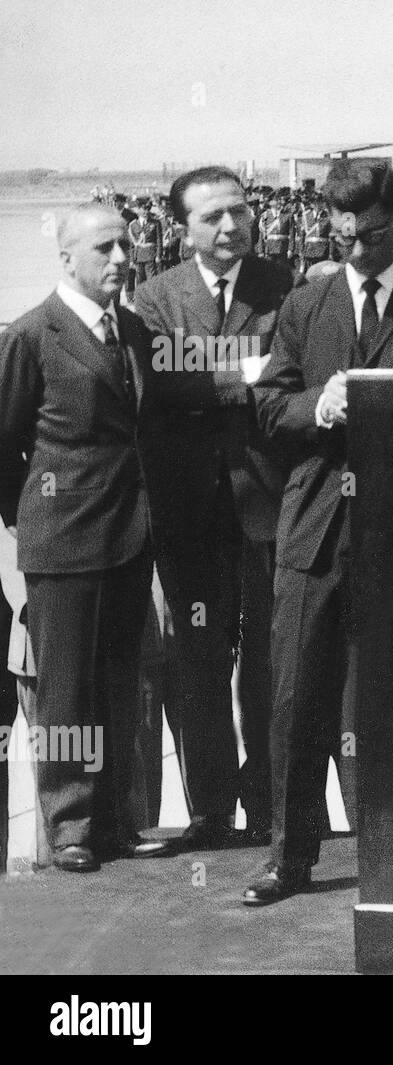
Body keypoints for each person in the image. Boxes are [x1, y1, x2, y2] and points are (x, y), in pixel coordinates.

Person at [247, 160, 393, 904]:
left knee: (391, 699)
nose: (358, 247)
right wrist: (317, 408)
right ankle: (288, 855)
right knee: (295, 696)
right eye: (343, 235)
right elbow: (269, 404)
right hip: (317, 522)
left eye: (373, 234)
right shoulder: (309, 300)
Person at [0, 204, 170, 872]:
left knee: (119, 682)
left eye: (126, 245)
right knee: (67, 690)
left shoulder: (130, 328)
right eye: (105, 248)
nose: (122, 259)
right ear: (67, 257)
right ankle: (71, 824)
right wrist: (26, 521)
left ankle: (116, 822)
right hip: (62, 543)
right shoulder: (32, 333)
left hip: (129, 539)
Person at [133, 166, 299, 849]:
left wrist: (216, 376)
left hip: (267, 503)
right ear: (182, 230)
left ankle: (268, 807)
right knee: (199, 662)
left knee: (269, 663)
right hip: (191, 512)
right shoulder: (153, 297)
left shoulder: (283, 286)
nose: (230, 226)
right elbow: (166, 385)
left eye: (239, 211)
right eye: (212, 217)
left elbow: (293, 374)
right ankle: (209, 811)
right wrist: (248, 373)